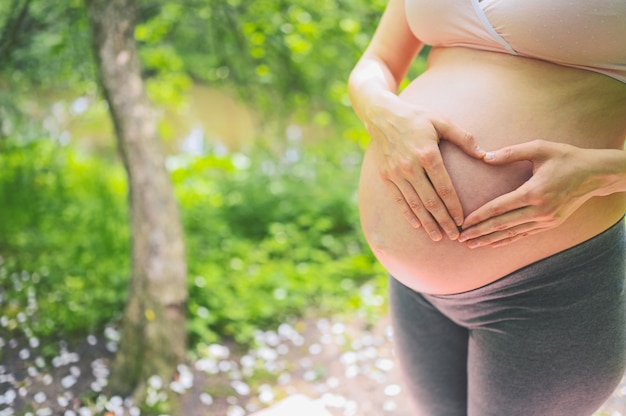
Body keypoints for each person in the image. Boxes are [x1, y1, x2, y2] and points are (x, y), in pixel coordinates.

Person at [348, 0, 626, 415]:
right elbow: (378, 62)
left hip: (554, 286)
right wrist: (380, 111)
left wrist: (602, 171)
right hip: (414, 288)